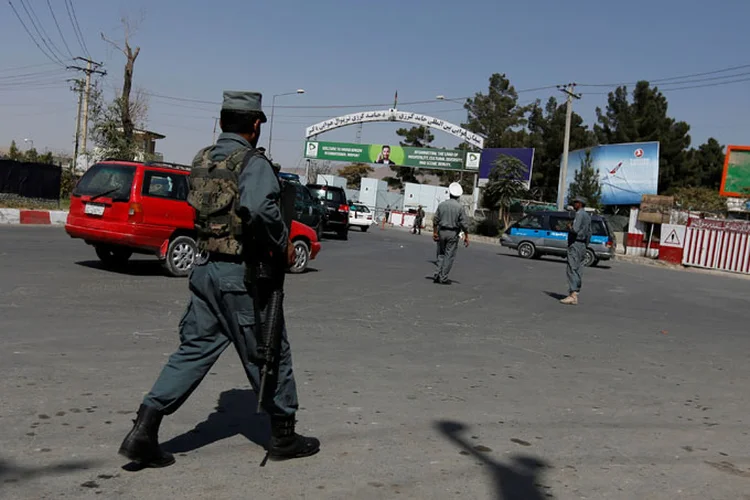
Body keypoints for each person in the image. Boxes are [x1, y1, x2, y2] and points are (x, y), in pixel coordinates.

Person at [117, 91, 320, 468]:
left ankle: (144, 427)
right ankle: (283, 435)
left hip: (205, 269)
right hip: (242, 276)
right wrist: (283, 243)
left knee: (194, 350)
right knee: (269, 351)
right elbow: (259, 208)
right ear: (255, 125)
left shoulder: (202, 159)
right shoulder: (251, 163)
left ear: (223, 121)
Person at [432, 183, 469, 284]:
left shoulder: (442, 205)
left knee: (440, 254)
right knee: (449, 255)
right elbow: (464, 224)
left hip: (441, 232)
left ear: (450, 194)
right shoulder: (460, 208)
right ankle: (443, 277)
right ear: (459, 196)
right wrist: (466, 237)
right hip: (452, 233)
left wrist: (435, 233)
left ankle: (437, 274)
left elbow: (435, 220)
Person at [560, 196, 592, 305]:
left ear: (580, 204)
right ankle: (576, 292)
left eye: (576, 202)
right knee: (579, 269)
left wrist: (569, 226)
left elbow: (575, 229)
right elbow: (589, 233)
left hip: (576, 243)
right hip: (582, 245)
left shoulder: (579, 214)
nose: (574, 204)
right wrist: (585, 245)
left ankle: (572, 294)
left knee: (572, 268)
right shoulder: (587, 216)